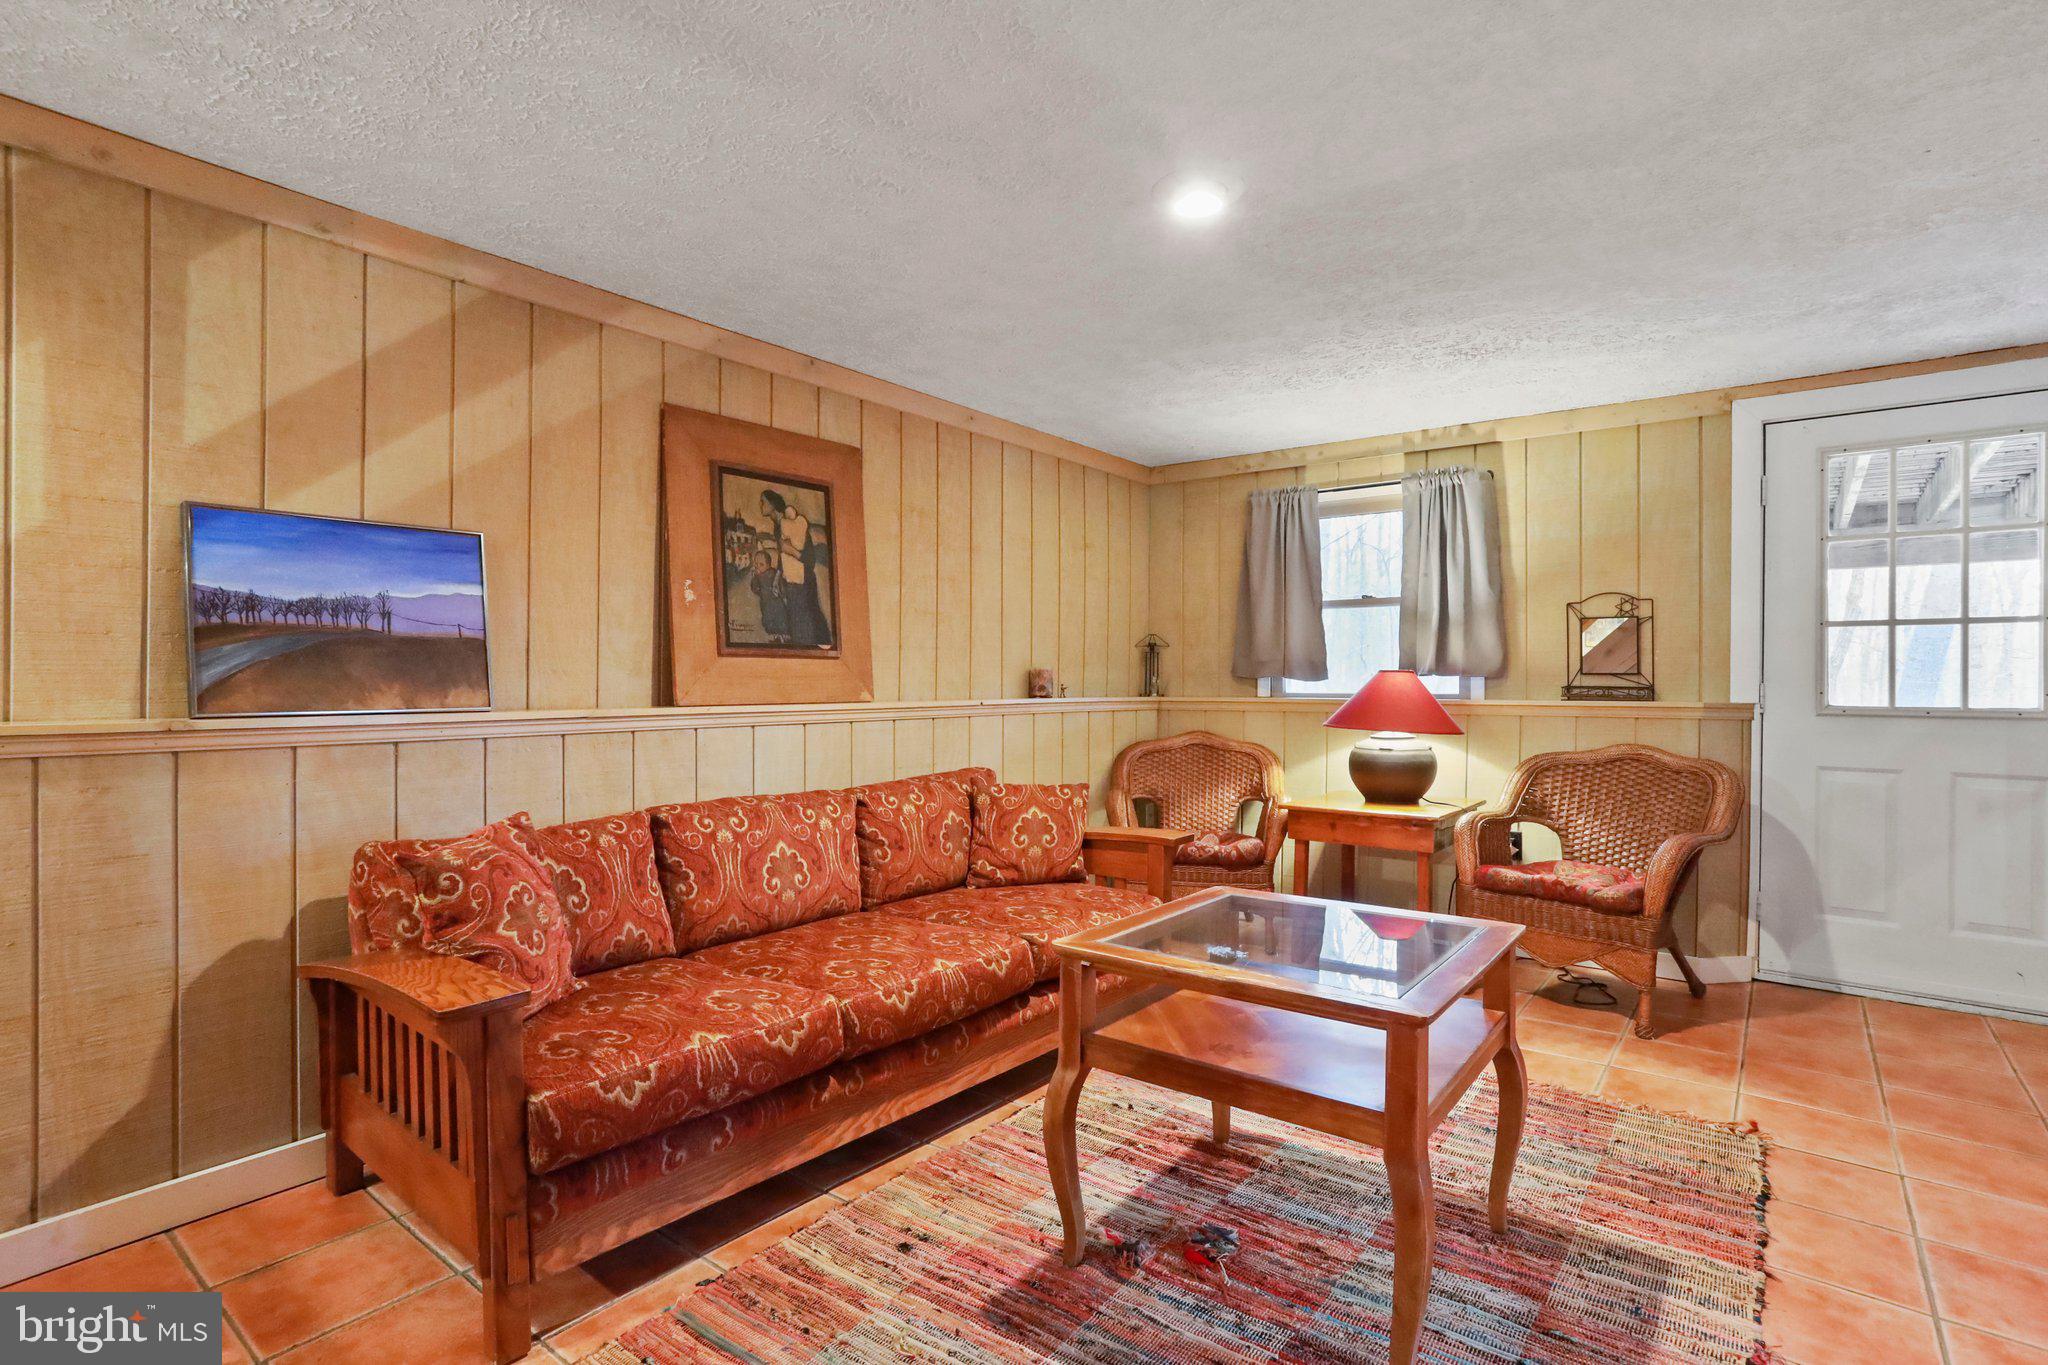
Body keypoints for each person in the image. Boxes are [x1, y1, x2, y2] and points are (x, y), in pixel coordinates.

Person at [760, 489, 832, 648]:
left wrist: (791, 550)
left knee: (810, 620)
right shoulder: (778, 527)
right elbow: (782, 557)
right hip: (791, 583)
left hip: (804, 582)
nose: (761, 505)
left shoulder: (794, 524)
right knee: (797, 621)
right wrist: (777, 578)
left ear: (772, 505)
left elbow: (809, 560)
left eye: (763, 501)